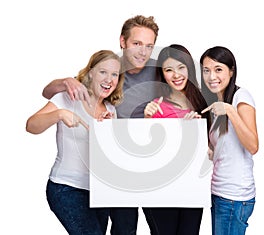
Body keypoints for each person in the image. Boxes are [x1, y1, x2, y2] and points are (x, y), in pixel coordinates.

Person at [41, 15, 159, 235]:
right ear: (122, 42)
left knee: (126, 228)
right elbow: (50, 93)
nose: (143, 52)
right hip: (92, 174)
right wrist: (65, 81)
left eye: (149, 46)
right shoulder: (106, 68)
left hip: (125, 171)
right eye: (137, 43)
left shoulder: (158, 74)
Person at [26, 50, 125, 235]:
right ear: (90, 73)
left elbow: (109, 158)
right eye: (103, 72)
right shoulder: (67, 98)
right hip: (66, 188)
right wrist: (60, 114)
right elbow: (31, 125)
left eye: (114, 75)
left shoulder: (111, 109)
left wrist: (107, 131)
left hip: (98, 192)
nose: (109, 79)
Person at [143, 44, 210, 235]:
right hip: (161, 190)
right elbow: (146, 152)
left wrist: (196, 132)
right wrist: (147, 121)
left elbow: (210, 146)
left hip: (192, 188)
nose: (176, 75)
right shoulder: (157, 107)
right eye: (168, 70)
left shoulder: (202, 101)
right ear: (162, 74)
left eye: (181, 67)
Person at [200, 46, 259, 235]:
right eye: (206, 70)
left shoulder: (240, 98)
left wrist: (231, 111)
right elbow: (222, 150)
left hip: (234, 197)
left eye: (218, 69)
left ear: (231, 71)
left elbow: (253, 145)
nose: (211, 76)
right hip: (219, 193)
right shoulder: (216, 105)